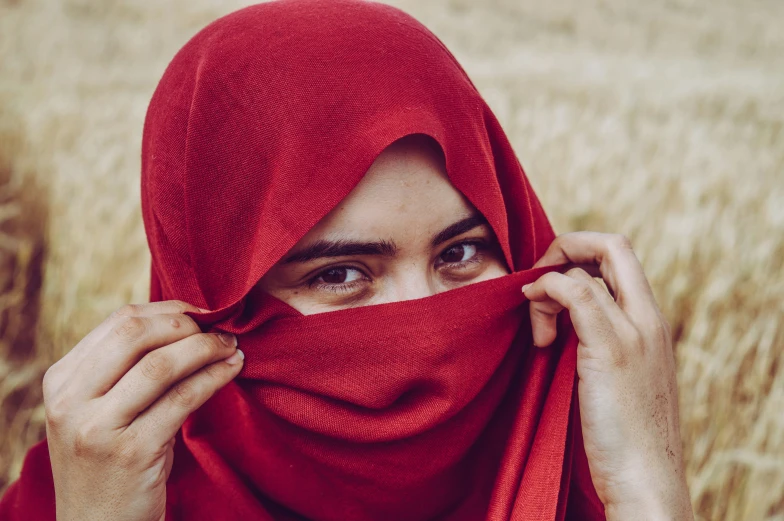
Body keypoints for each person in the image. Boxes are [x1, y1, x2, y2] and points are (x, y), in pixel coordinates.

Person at [0, 1, 693, 520]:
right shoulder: (85, 491)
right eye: (340, 273)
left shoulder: (589, 477)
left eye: (460, 252)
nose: (424, 325)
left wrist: (650, 491)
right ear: (210, 291)